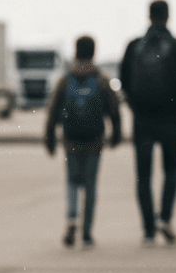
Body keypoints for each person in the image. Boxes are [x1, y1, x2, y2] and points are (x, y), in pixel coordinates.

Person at [119, 0, 176, 244]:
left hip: (143, 119)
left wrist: (135, 107)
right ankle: (165, 217)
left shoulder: (133, 46)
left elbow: (124, 82)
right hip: (170, 118)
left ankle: (148, 227)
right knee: (171, 170)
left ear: (148, 15)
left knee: (143, 175)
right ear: (168, 16)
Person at [44, 35, 122, 248]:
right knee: (90, 184)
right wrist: (117, 133)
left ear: (75, 51)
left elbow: (52, 110)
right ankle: (87, 232)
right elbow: (114, 109)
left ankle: (71, 220)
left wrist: (49, 137)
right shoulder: (101, 78)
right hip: (94, 139)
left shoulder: (65, 78)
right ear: (93, 52)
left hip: (70, 139)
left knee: (71, 181)